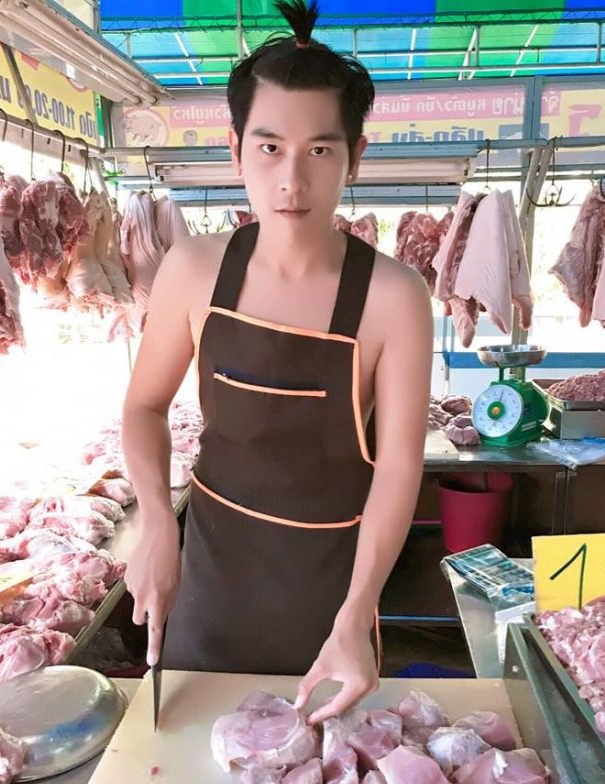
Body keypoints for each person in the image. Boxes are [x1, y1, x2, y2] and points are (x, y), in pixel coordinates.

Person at [121, 0, 433, 724]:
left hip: (332, 595)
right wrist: (157, 521)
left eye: (320, 151)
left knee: (323, 776)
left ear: (356, 155)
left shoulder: (394, 296)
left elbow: (398, 467)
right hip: (210, 575)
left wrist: (358, 610)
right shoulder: (193, 269)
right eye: (269, 148)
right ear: (236, 150)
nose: (292, 180)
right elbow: (143, 406)